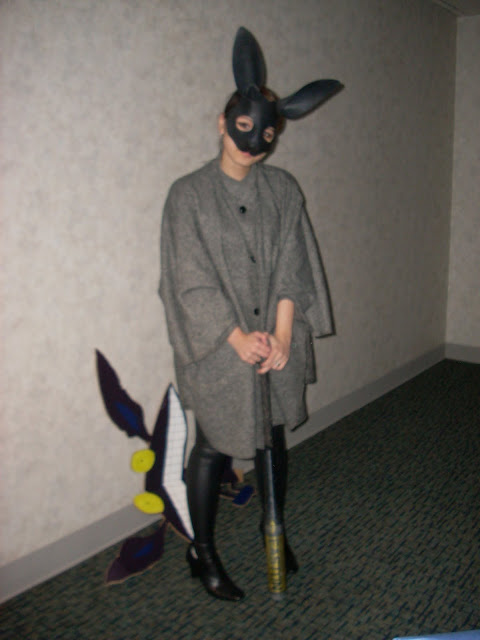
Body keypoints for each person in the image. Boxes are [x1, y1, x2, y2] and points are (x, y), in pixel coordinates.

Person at [159, 27, 342, 601]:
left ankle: (273, 529)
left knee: (272, 436)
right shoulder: (187, 196)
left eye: (265, 135)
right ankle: (201, 549)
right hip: (218, 346)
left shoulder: (283, 190)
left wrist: (283, 333)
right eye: (242, 127)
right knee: (213, 444)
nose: (252, 143)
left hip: (273, 343)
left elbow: (293, 261)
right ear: (223, 122)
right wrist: (236, 337)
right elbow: (187, 279)